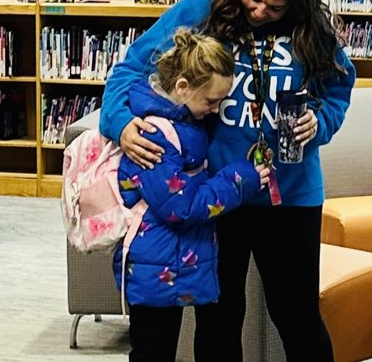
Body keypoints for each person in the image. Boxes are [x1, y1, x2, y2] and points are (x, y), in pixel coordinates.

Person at [102, 0, 355, 361]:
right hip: (214, 197)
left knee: (297, 317)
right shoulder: (208, 5)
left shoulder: (310, 26)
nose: (259, 13)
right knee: (218, 319)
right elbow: (132, 66)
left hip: (290, 196)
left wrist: (322, 121)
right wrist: (120, 123)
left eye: (274, 9)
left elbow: (339, 87)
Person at [115, 29, 269, 362]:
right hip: (154, 266)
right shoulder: (154, 134)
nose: (215, 110)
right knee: (153, 351)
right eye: (211, 101)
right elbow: (181, 207)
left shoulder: (188, 122)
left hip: (174, 259)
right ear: (182, 87)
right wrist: (241, 178)